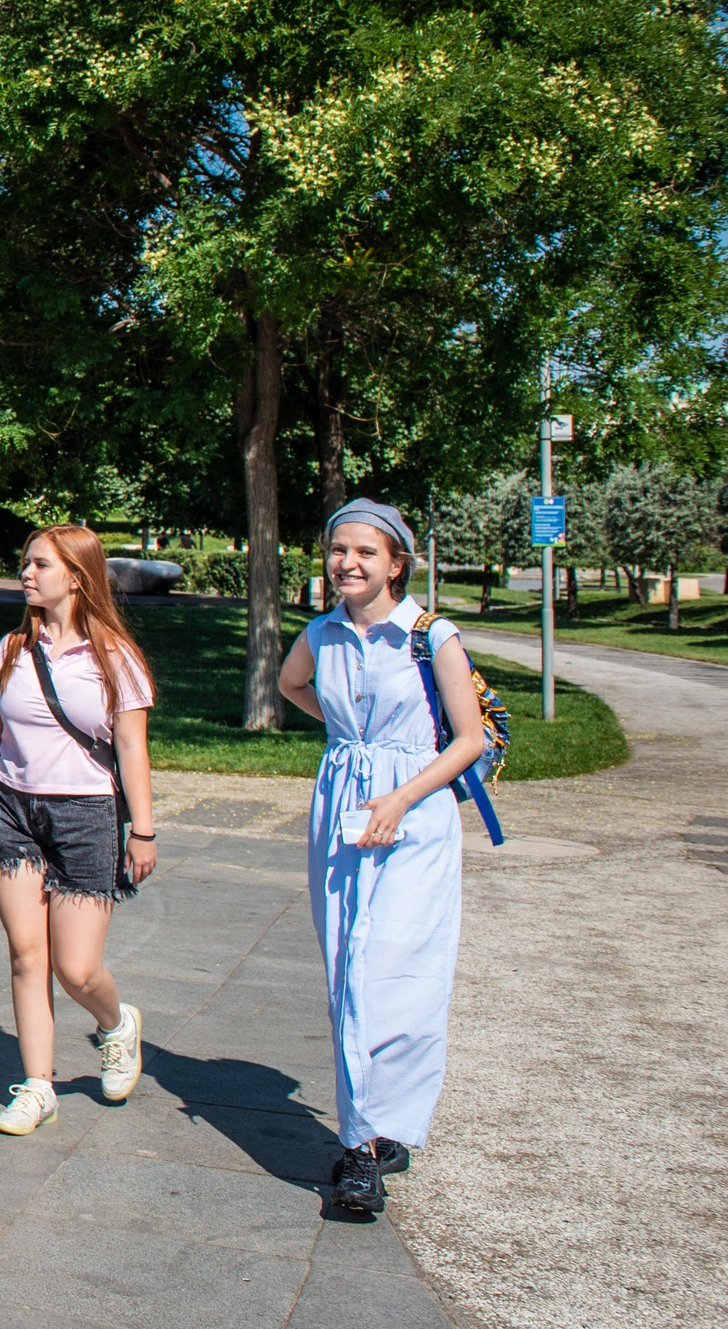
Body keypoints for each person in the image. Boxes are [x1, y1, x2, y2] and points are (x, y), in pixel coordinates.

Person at [277, 497, 484, 1220]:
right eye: (338, 550)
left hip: (415, 821)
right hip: (342, 814)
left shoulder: (433, 636)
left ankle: (381, 1123)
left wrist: (398, 792)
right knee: (350, 970)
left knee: (401, 973)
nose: (348, 563)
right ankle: (362, 1147)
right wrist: (348, 744)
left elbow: (469, 740)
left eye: (365, 552)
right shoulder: (321, 633)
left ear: (397, 561)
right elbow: (289, 685)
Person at [0, 524, 159, 1137]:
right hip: (13, 812)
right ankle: (37, 1086)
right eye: (25, 563)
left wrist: (145, 831)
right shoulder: (11, 650)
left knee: (77, 969)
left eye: (40, 566)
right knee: (28, 955)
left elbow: (132, 748)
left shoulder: (114, 657)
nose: (26, 574)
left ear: (78, 578)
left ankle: (115, 1025)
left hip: (87, 815)